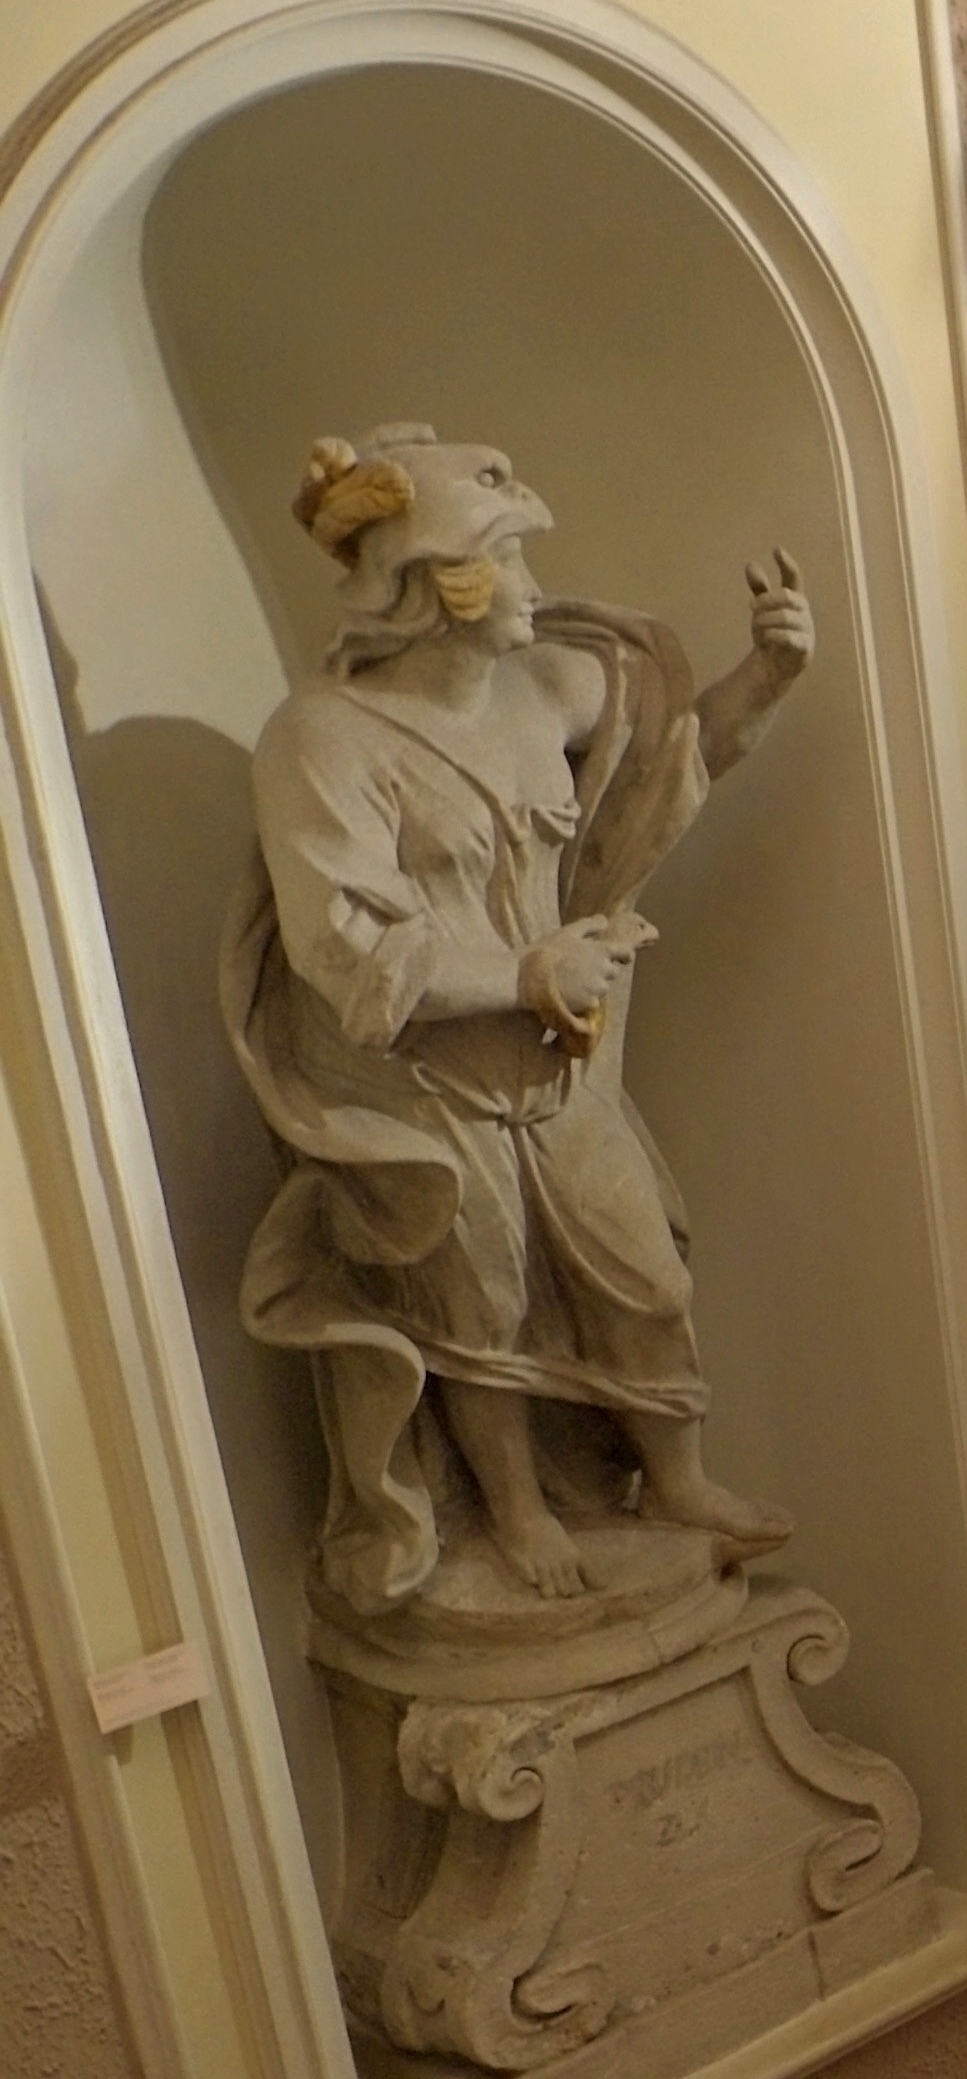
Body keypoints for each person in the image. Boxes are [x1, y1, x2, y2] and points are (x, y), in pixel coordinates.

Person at [232, 424, 810, 1610]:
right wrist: (524, 973)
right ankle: (517, 1511)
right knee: (474, 1312)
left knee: (646, 1274)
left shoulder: (544, 686)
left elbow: (661, 762)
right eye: (512, 564)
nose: (543, 594)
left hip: (561, 1077)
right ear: (438, 588)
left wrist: (766, 677)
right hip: (427, 1087)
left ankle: (681, 1479)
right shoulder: (322, 742)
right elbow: (340, 952)